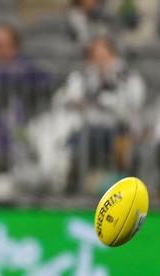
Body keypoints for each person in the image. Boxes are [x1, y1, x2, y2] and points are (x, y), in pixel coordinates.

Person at [54, 37, 145, 191]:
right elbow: (63, 98)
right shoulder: (81, 77)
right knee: (72, 142)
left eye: (104, 56)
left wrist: (107, 100)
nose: (100, 61)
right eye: (95, 56)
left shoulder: (128, 76)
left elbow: (135, 102)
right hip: (88, 130)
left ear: (113, 56)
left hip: (119, 128)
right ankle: (71, 188)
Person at [0, 24, 52, 173]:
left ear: (14, 46)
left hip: (25, 125)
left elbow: (45, 90)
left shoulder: (27, 69)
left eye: (2, 45)